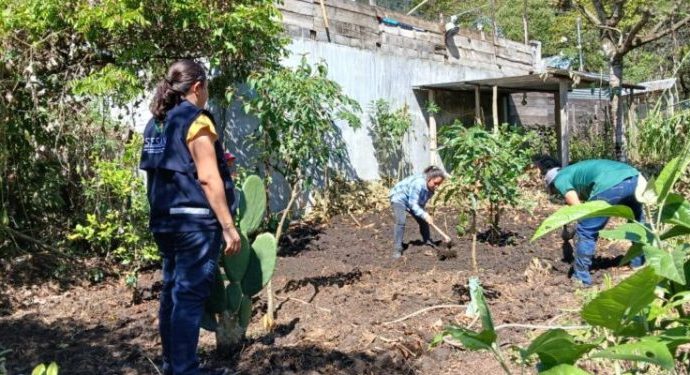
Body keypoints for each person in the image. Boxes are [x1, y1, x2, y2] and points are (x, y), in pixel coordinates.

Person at [140, 60, 240, 375]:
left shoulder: (156, 123)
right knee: (188, 297)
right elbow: (208, 179)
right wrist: (228, 227)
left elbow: (167, 173)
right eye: (207, 87)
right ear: (197, 87)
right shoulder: (196, 122)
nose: (207, 94)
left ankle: (174, 366)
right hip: (195, 225)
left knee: (172, 292)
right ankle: (184, 370)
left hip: (165, 221)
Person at [544, 159, 646, 286]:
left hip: (611, 184)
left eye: (554, 192)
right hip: (635, 179)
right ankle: (639, 263)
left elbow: (576, 204)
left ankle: (581, 279)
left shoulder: (560, 178)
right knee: (638, 224)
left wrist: (580, 225)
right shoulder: (574, 171)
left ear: (552, 183)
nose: (557, 194)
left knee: (586, 232)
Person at [389, 166, 447, 258]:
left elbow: (420, 204)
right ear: (429, 178)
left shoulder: (431, 190)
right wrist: (425, 214)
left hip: (411, 200)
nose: (437, 186)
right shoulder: (418, 184)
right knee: (401, 221)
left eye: (439, 184)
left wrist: (424, 216)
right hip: (399, 197)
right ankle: (397, 248)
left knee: (423, 220)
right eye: (435, 183)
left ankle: (427, 241)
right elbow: (413, 204)